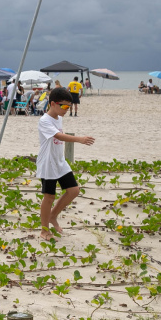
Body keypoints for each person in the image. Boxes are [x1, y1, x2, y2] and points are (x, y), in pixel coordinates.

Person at [37, 87, 95, 240]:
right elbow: (58, 136)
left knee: (74, 190)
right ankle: (44, 230)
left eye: (69, 107)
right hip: (48, 163)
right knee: (49, 196)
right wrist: (79, 139)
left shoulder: (59, 118)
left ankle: (53, 216)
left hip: (59, 161)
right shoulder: (44, 120)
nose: (67, 110)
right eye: (64, 106)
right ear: (52, 104)